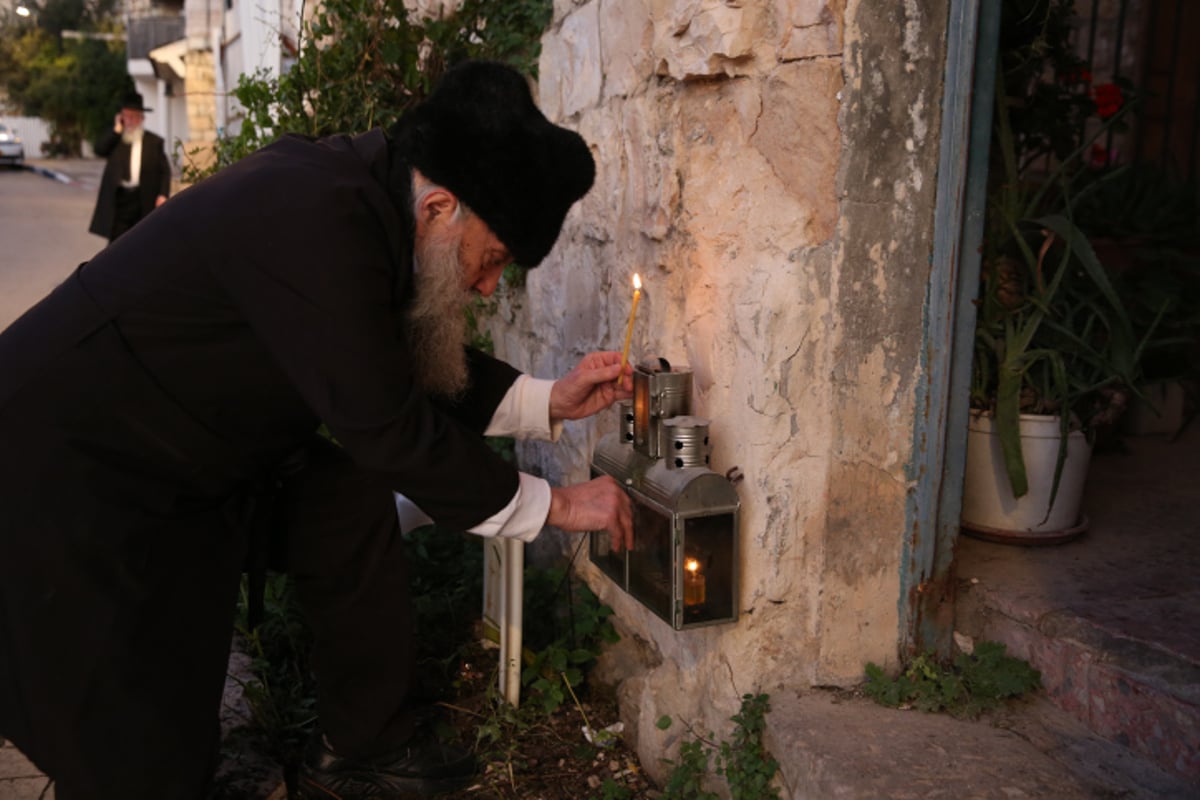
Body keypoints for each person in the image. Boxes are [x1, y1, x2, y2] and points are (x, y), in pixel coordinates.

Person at [0, 60, 634, 800]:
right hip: (71, 467)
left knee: (343, 500)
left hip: (188, 456)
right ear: (438, 207)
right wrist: (557, 505)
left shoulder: (366, 203)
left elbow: (395, 357)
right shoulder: (319, 214)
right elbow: (386, 423)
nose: (488, 286)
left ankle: (364, 744)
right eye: (490, 260)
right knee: (135, 759)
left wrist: (550, 398)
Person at [88, 90, 172, 242]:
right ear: (121, 117)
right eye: (126, 116)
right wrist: (116, 130)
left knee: (142, 240)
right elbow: (99, 150)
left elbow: (164, 171)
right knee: (116, 244)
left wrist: (163, 194)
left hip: (143, 197)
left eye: (134, 116)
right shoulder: (115, 140)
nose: (130, 121)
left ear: (141, 118)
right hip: (120, 199)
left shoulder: (154, 142)